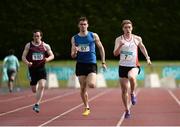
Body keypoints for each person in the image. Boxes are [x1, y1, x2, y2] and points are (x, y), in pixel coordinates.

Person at [113, 20, 151, 118]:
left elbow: (142, 47)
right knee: (124, 91)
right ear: (123, 29)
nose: (128, 29)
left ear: (132, 28)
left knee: (132, 77)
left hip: (134, 65)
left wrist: (147, 58)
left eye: (129, 27)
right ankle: (127, 110)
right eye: (125, 27)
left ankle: (133, 92)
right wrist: (121, 45)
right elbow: (115, 54)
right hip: (122, 67)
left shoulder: (137, 38)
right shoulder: (118, 39)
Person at [71, 17, 107, 116]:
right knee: (82, 88)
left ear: (88, 25)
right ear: (78, 25)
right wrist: (75, 51)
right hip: (80, 64)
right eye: (81, 24)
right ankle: (87, 107)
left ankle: (88, 79)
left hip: (91, 63)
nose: (83, 26)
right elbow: (72, 55)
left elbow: (101, 48)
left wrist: (103, 62)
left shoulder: (93, 35)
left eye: (85, 24)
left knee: (91, 84)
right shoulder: (74, 38)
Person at [22, 29, 54, 113]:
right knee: (34, 90)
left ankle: (37, 105)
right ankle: (31, 81)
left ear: (41, 37)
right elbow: (23, 57)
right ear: (33, 37)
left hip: (41, 68)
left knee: (42, 86)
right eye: (35, 36)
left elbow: (52, 55)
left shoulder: (45, 46)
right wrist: (27, 62)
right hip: (32, 69)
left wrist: (47, 59)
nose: (36, 37)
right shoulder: (28, 45)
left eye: (38, 36)